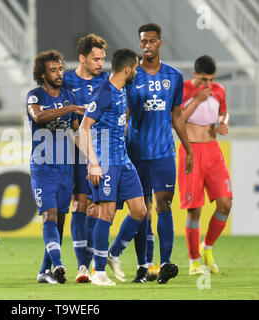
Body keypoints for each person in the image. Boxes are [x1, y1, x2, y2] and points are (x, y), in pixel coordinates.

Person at [108, 23, 193, 284]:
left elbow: (177, 114)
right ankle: (144, 266)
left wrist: (188, 148)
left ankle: (164, 263)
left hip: (164, 153)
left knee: (163, 205)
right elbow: (125, 113)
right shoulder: (131, 75)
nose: (147, 46)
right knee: (142, 210)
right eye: (143, 41)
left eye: (151, 41)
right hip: (135, 152)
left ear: (160, 43)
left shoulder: (174, 76)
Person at [79, 48, 147, 286]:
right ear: (127, 69)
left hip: (123, 160)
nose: (137, 72)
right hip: (105, 161)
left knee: (140, 210)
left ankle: (114, 252)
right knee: (105, 214)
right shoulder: (104, 92)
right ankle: (98, 273)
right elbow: (83, 128)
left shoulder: (122, 90)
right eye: (136, 68)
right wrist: (94, 163)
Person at [27, 50, 85, 284]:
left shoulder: (69, 95)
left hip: (65, 167)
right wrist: (70, 109)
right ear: (42, 74)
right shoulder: (35, 96)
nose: (59, 73)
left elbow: (76, 131)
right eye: (53, 70)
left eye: (60, 68)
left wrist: (92, 156)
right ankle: (59, 265)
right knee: (49, 216)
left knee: (60, 220)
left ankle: (44, 271)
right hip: (43, 168)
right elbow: (38, 117)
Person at [179, 55, 232, 275]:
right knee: (194, 210)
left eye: (210, 80)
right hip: (190, 151)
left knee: (225, 204)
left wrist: (223, 124)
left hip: (213, 151)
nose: (207, 85)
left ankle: (207, 247)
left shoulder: (219, 90)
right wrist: (198, 100)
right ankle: (194, 261)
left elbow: (224, 113)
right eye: (203, 79)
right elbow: (178, 119)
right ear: (194, 74)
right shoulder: (182, 89)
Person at [63, 33, 109, 283]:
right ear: (82, 58)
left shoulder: (106, 82)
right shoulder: (67, 80)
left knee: (96, 208)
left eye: (103, 59)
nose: (101, 64)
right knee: (78, 205)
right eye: (95, 59)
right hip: (74, 152)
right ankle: (82, 266)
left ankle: (92, 264)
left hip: (102, 152)